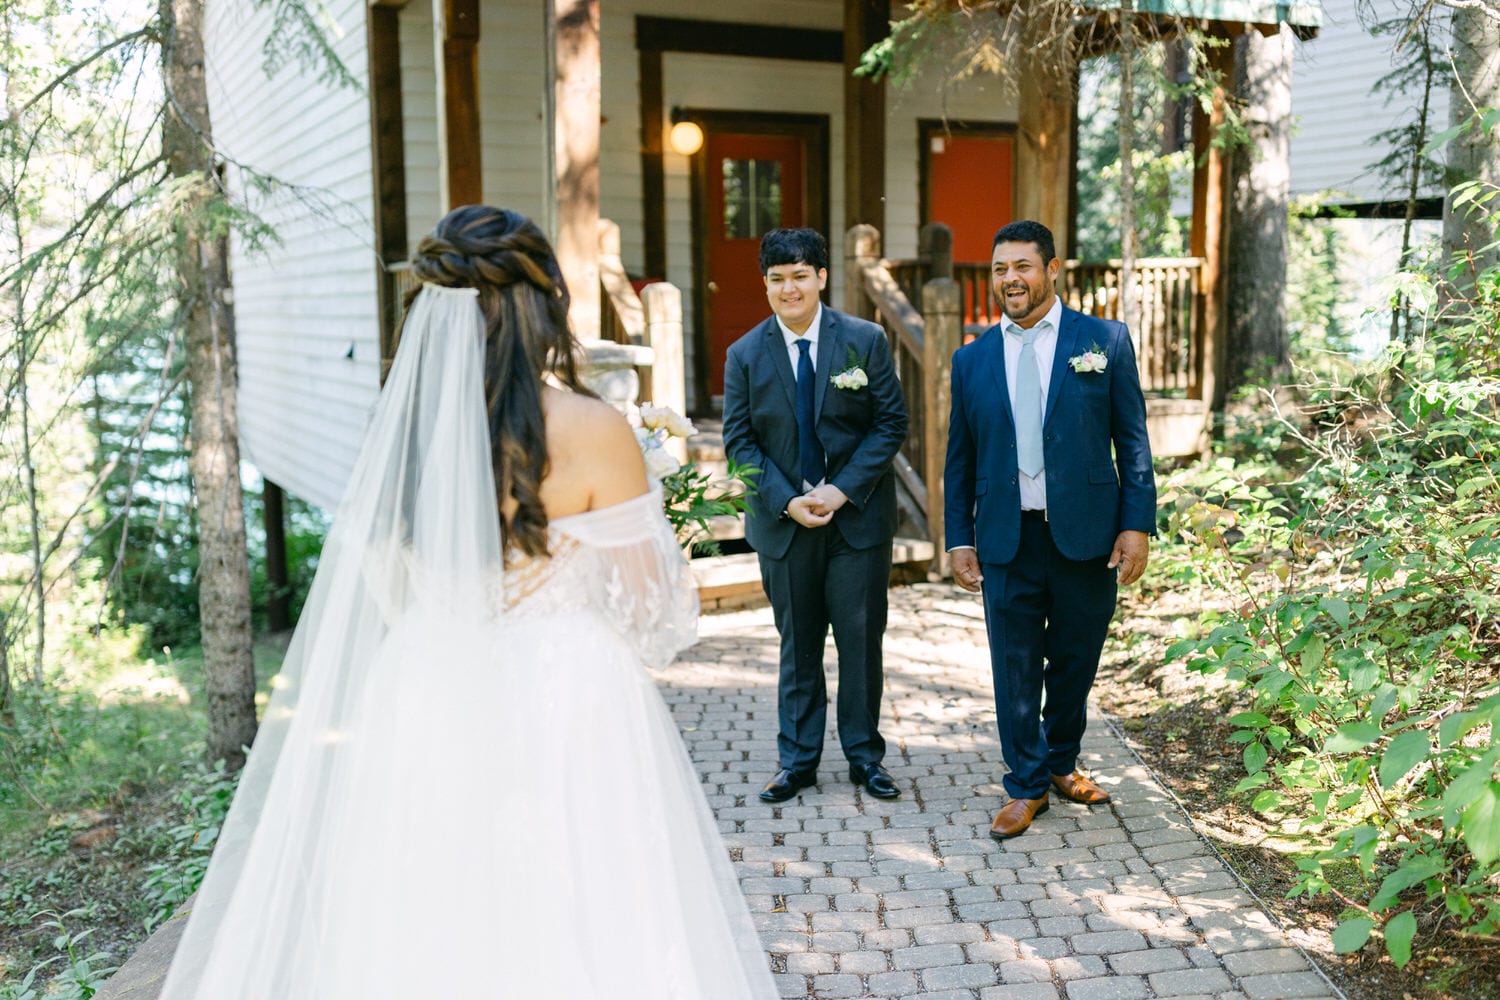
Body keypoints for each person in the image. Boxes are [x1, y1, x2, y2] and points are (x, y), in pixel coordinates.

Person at [157, 206, 777, 999]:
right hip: (567, 696)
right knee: (586, 912)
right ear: (542, 305)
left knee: (432, 914)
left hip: (425, 686)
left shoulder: (401, 437)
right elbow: (657, 618)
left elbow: (385, 588)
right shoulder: (593, 431)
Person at [943, 220, 1155, 840]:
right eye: (1000, 269)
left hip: (1086, 532)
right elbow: (960, 457)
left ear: (1052, 269)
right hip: (1007, 535)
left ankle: (1062, 760)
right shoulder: (972, 357)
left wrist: (1136, 524)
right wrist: (960, 537)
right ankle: (1026, 783)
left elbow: (1132, 441)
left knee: (1074, 658)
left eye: (1023, 267)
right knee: (1013, 665)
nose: (1010, 279)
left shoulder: (1105, 341)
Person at [722, 227, 909, 805]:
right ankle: (797, 761)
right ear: (766, 285)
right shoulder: (745, 354)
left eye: (800, 275)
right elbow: (739, 442)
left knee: (859, 642)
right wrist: (787, 499)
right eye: (777, 279)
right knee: (797, 644)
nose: (789, 289)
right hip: (784, 525)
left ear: (822, 277)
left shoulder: (864, 339)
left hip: (856, 522)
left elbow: (889, 424)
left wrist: (839, 491)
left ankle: (864, 757)